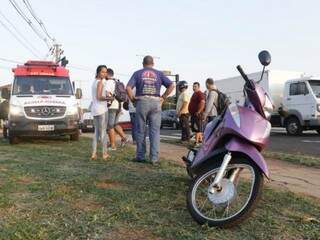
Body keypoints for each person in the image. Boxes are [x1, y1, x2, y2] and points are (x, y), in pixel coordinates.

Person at [126, 55, 175, 164]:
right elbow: (172, 85)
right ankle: (154, 158)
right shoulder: (159, 74)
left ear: (143, 64)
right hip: (156, 103)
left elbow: (128, 88)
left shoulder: (137, 73)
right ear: (153, 63)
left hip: (142, 102)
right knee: (155, 131)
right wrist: (163, 97)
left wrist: (133, 100)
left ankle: (140, 156)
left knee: (140, 130)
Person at [106, 68, 128, 150]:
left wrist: (105, 104)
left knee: (110, 126)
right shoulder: (117, 82)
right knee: (115, 124)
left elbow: (108, 94)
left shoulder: (108, 82)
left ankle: (112, 145)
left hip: (111, 106)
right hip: (119, 106)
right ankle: (124, 138)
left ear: (107, 74)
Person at [90, 65, 109, 160]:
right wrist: (109, 98)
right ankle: (104, 153)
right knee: (103, 133)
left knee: (96, 132)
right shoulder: (100, 82)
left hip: (95, 109)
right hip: (102, 109)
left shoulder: (94, 82)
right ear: (98, 72)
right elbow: (99, 97)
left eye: (106, 72)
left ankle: (94, 154)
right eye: (103, 72)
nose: (105, 74)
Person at [188, 82, 205, 146]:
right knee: (195, 128)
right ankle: (200, 140)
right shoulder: (194, 94)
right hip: (193, 114)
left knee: (198, 128)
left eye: (195, 86)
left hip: (197, 114)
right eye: (193, 86)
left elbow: (202, 102)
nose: (193, 88)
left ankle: (196, 142)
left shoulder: (200, 94)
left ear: (198, 87)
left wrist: (199, 111)